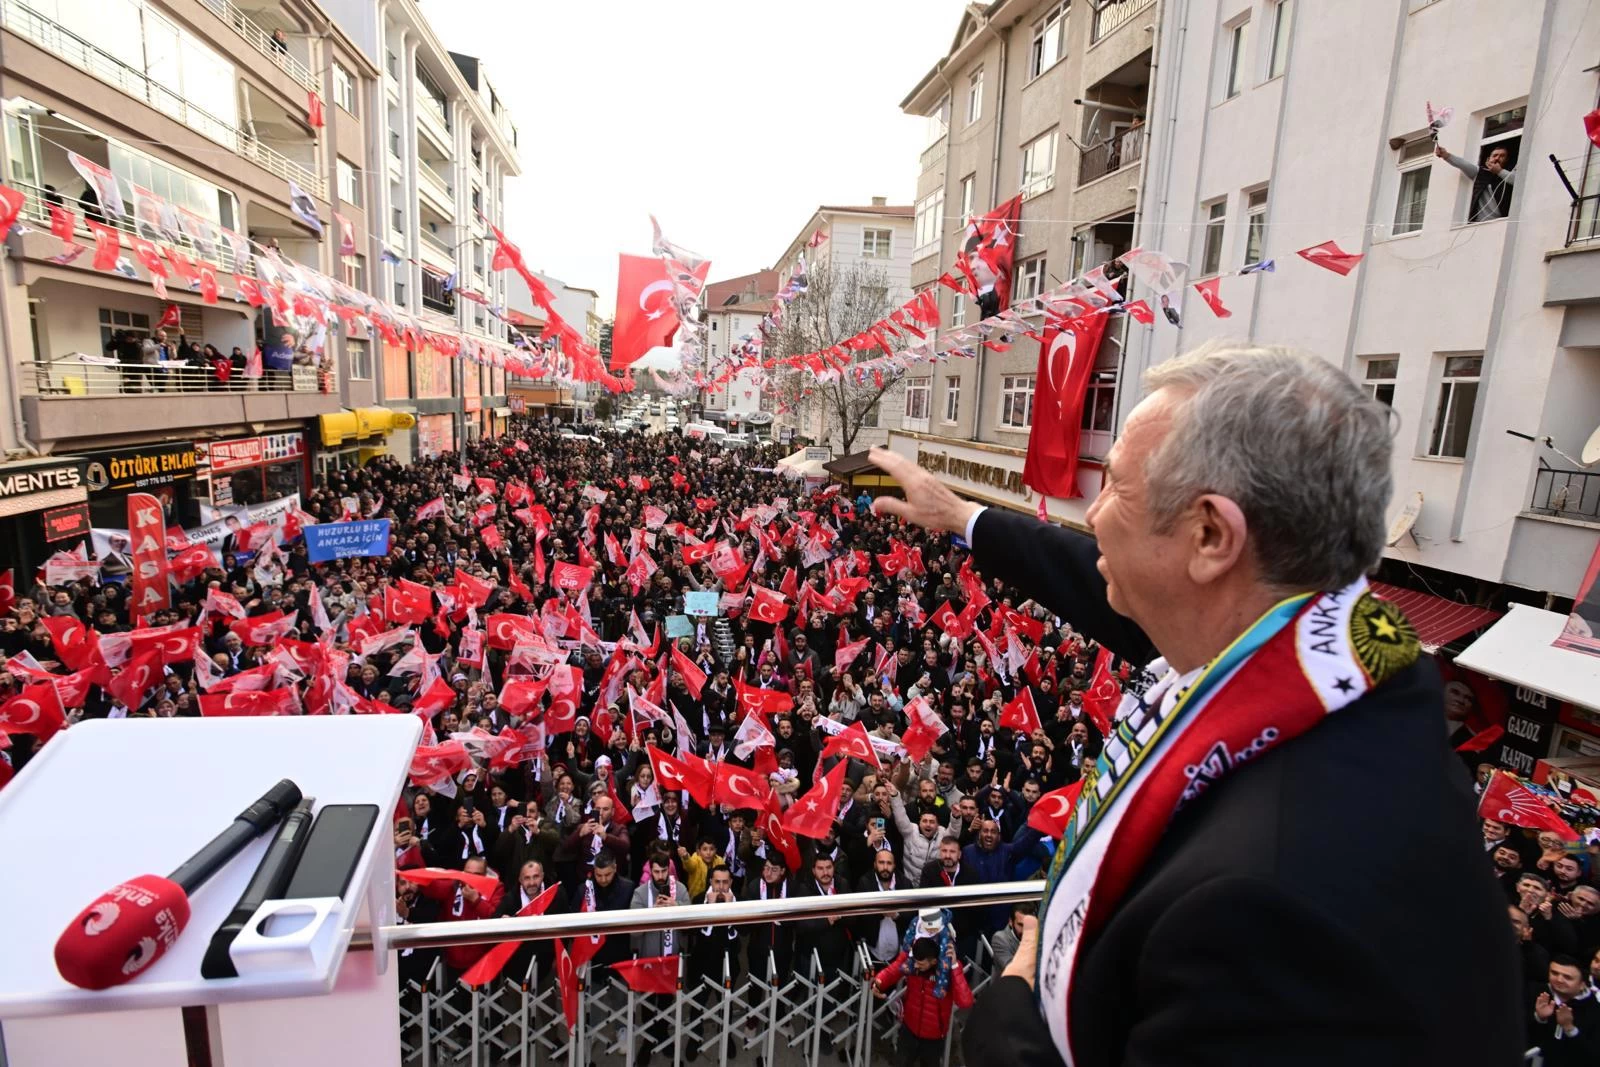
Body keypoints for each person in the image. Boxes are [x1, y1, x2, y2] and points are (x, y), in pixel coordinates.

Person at [867, 341, 1520, 1066]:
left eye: (1113, 487)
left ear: (1210, 536)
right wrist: (963, 516)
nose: (1092, 512)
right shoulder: (1336, 662)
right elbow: (1112, 580)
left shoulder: (1268, 903)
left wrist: (1008, 1015)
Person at [871, 933, 973, 1067]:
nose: (916, 967)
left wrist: (954, 967)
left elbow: (965, 1001)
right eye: (915, 962)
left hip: (934, 1037)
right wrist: (879, 981)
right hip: (909, 1028)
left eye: (921, 964)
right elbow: (895, 969)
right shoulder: (914, 958)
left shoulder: (948, 971)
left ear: (934, 961)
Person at [1435, 142, 1515, 222]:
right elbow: (1462, 164)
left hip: (1502, 222)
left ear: (1507, 160)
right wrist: (1445, 155)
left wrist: (1499, 171)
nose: (1497, 158)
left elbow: (1517, 181)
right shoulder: (1480, 173)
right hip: (1479, 222)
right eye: (1495, 155)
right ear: (1488, 159)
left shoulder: (1508, 175)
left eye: (1502, 156)